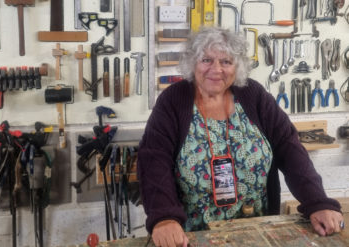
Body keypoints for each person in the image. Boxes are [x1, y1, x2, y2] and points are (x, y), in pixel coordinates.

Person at [137, 27, 343, 247]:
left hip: (258, 232)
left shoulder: (253, 95)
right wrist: (164, 218)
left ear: (238, 67)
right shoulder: (173, 101)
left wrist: (318, 202)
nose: (216, 69)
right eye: (206, 60)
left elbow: (289, 148)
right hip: (193, 236)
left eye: (226, 62)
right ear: (192, 63)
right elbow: (154, 161)